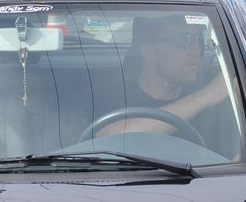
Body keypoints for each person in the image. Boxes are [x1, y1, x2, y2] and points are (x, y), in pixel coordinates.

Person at [97, 15, 230, 146]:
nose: (196, 50)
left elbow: (238, 157)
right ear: (149, 51)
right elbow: (106, 141)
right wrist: (204, 97)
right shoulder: (110, 95)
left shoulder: (219, 97)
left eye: (198, 39)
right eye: (183, 39)